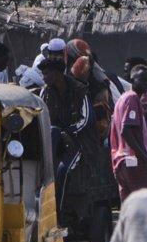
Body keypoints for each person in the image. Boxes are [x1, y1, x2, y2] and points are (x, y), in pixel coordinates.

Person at [39, 58, 107, 202]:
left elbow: (86, 120)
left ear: (57, 74)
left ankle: (59, 213)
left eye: (46, 74)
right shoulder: (46, 92)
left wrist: (68, 132)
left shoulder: (80, 91)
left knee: (63, 171)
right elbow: (41, 116)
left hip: (80, 141)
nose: (43, 78)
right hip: (58, 139)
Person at [109, 67, 147, 202]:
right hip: (133, 162)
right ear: (132, 80)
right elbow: (126, 130)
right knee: (146, 205)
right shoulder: (132, 98)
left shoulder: (122, 99)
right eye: (143, 80)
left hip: (120, 162)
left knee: (129, 207)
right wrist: (145, 158)